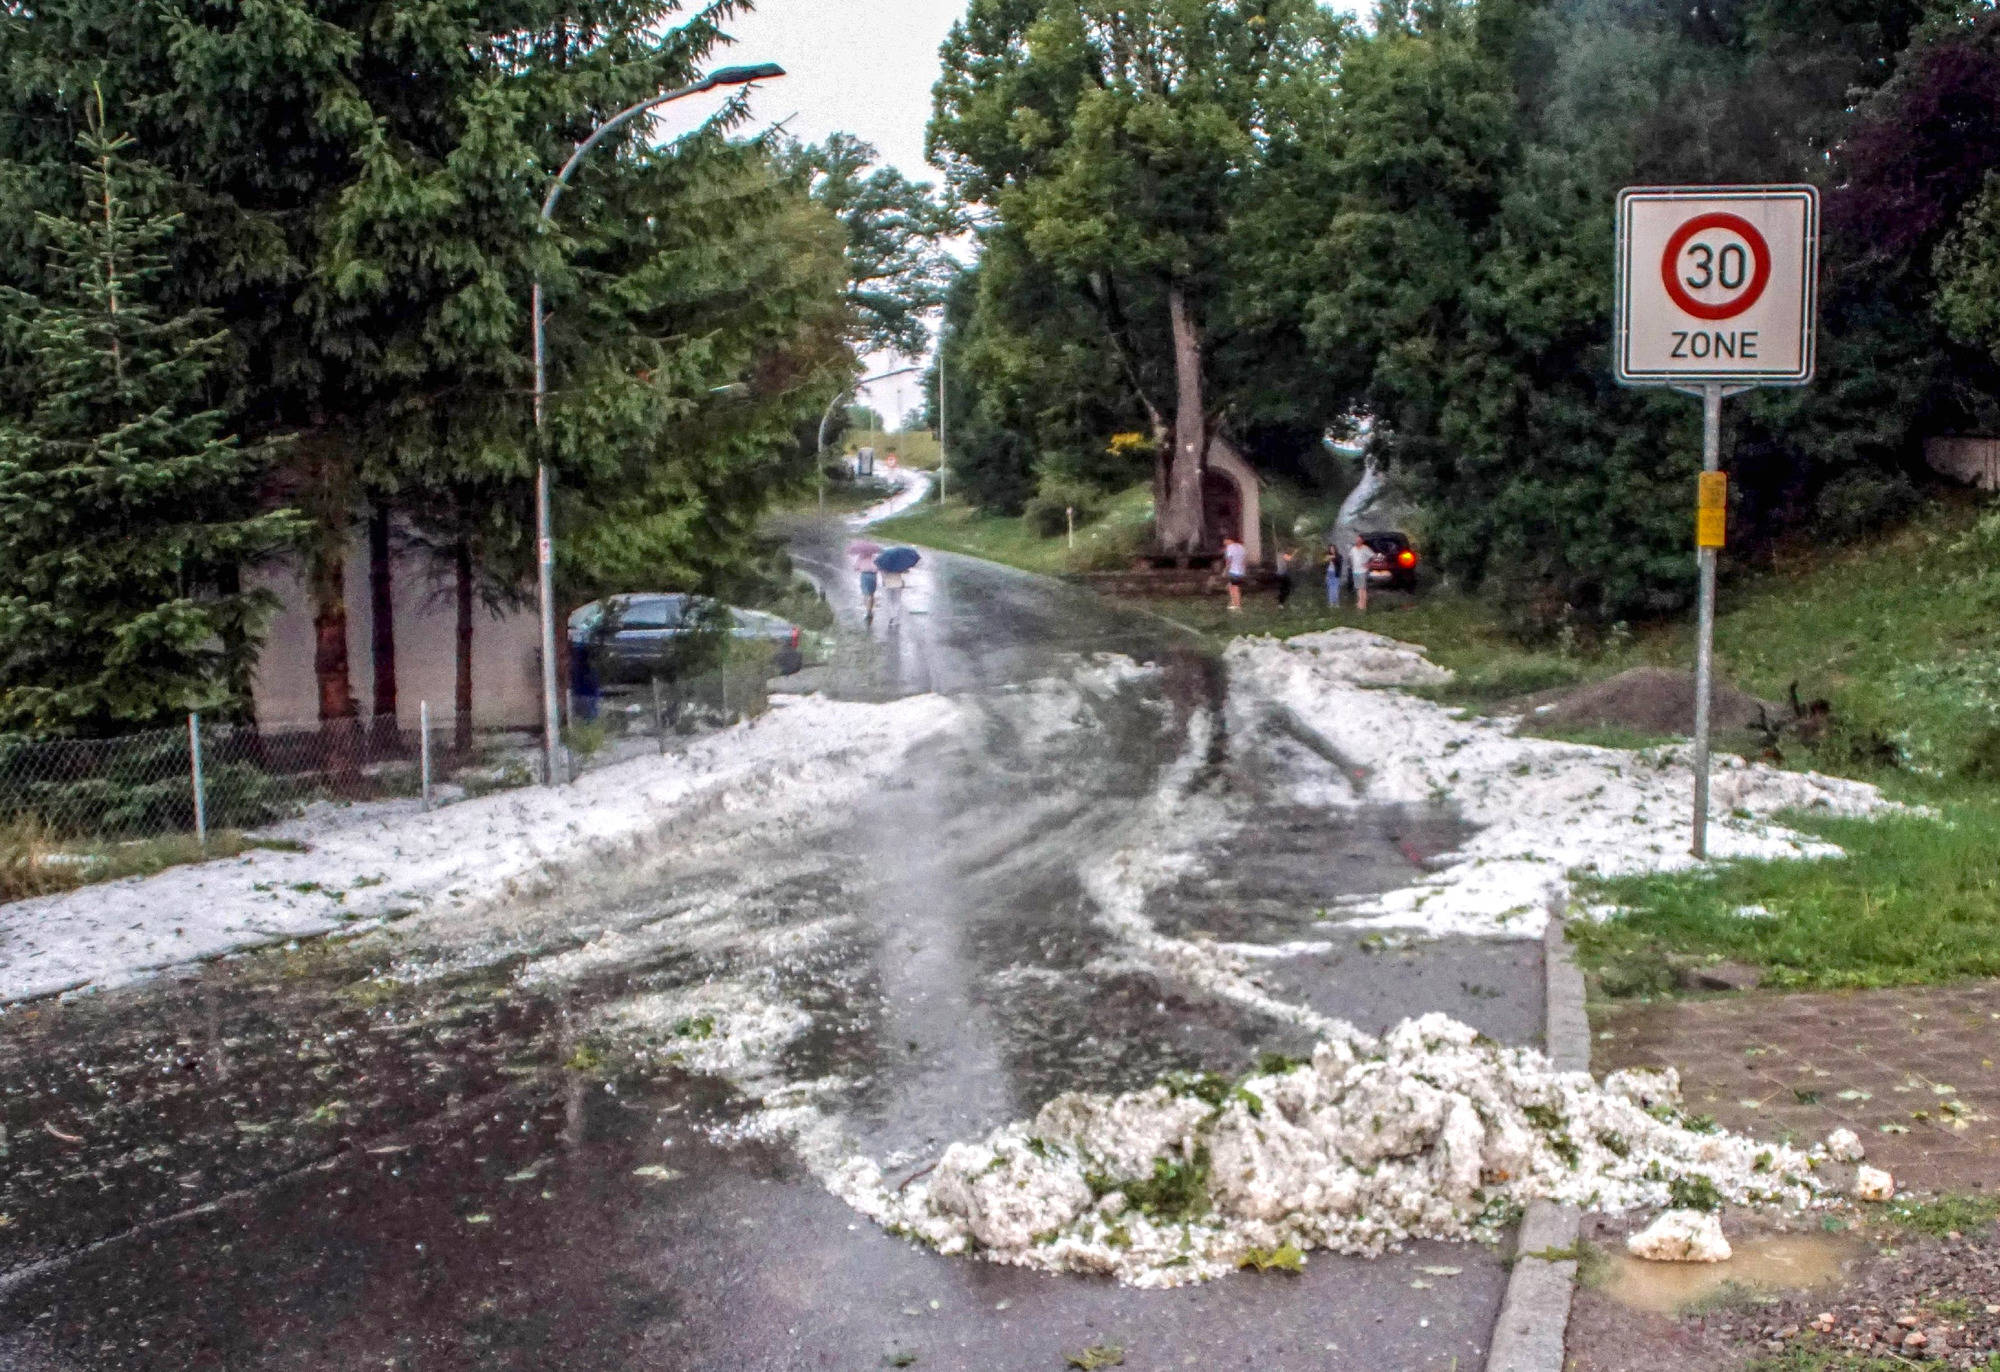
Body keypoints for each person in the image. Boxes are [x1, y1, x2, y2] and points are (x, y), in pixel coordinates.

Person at [1349, 534, 1377, 614]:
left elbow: (1374, 556)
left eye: (1359, 540)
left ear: (1362, 541)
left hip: (1362, 571)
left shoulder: (1365, 548)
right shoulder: (1353, 549)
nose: (1357, 541)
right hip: (1355, 571)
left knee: (1362, 588)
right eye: (1356, 540)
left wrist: (1369, 564)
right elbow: (1351, 557)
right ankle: (1360, 603)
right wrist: (1352, 566)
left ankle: (1362, 605)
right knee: (1359, 588)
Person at [1221, 535, 1248, 612]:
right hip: (1241, 571)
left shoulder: (1230, 547)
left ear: (1228, 540)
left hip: (1234, 570)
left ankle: (1237, 605)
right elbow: (1244, 559)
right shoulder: (1241, 547)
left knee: (1235, 588)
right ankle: (1234, 602)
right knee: (1231, 586)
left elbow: (1229, 560)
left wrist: (1225, 570)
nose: (1224, 543)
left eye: (1224, 541)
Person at [854, 546, 879, 624]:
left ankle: (868, 611)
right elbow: (878, 566)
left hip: (864, 575)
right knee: (871, 594)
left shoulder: (861, 557)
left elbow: (856, 567)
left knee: (865, 593)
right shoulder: (874, 557)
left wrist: (859, 568)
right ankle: (870, 609)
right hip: (873, 576)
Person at [1324, 538, 1346, 608]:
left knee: (1335, 589)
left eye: (1333, 549)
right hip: (1329, 573)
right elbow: (1324, 562)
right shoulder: (1327, 556)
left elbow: (1339, 561)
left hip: (1336, 574)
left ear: (1335, 549)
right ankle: (1331, 603)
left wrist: (1332, 557)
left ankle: (1336, 603)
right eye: (1330, 549)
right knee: (1330, 589)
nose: (1331, 550)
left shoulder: (1339, 556)